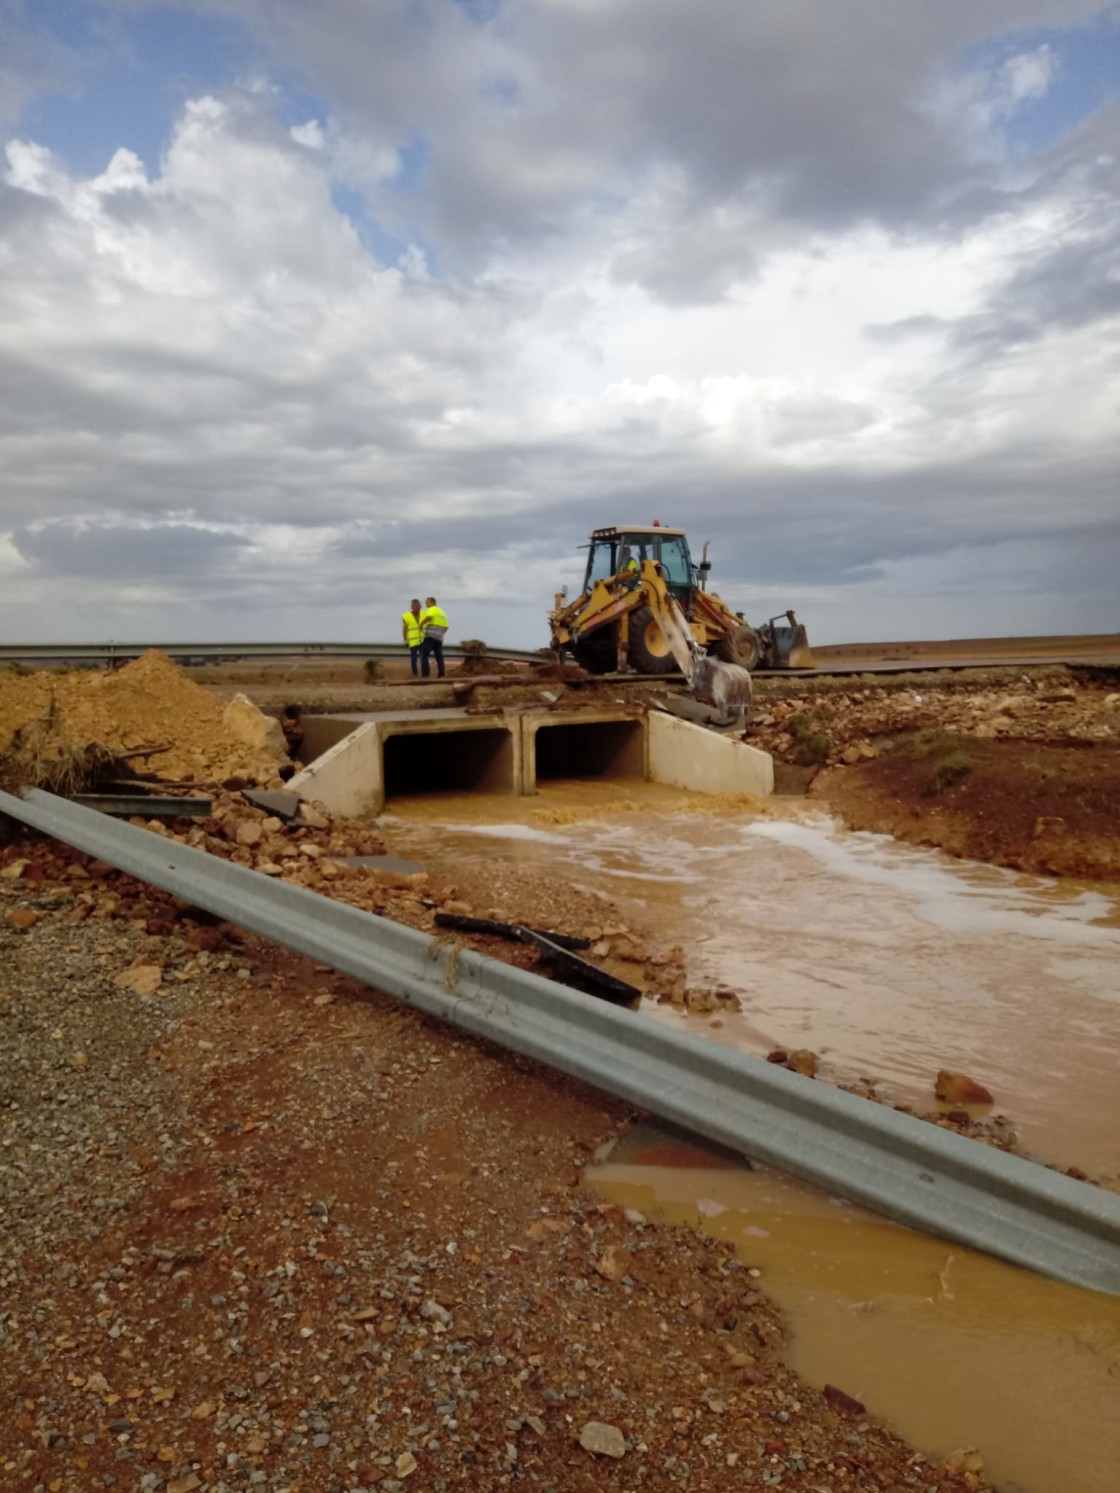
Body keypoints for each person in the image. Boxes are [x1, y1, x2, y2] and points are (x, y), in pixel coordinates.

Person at [419, 595, 449, 679]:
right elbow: (446, 627)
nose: (426, 604)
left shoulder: (431, 609)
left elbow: (429, 617)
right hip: (439, 637)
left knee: (424, 655)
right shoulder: (442, 612)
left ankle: (425, 675)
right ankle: (441, 675)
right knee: (439, 657)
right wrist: (440, 633)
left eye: (427, 602)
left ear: (432, 602)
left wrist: (421, 624)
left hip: (430, 636)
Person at [401, 597, 423, 677]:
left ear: (420, 606)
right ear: (411, 607)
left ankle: (424, 674)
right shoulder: (407, 616)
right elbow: (405, 629)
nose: (415, 608)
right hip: (412, 641)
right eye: (414, 606)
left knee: (423, 658)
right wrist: (405, 640)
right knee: (414, 658)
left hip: (422, 640)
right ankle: (415, 674)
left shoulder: (423, 614)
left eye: (417, 606)